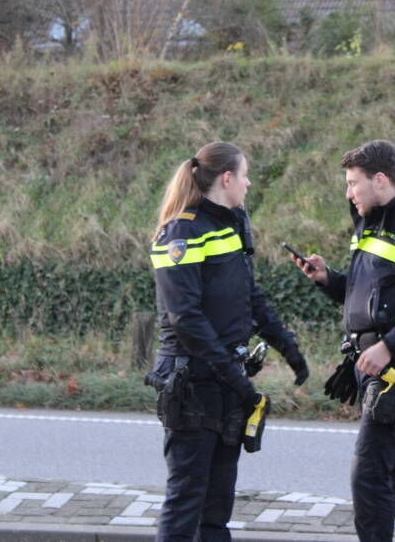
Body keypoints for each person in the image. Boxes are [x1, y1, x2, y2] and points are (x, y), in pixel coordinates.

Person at [293, 139, 395, 542]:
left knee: (367, 475)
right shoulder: (376, 221)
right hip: (375, 364)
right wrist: (328, 280)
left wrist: (387, 347)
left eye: (353, 183)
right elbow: (371, 295)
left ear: (379, 180)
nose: (348, 193)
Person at [148, 141, 309, 541]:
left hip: (224, 382)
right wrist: (234, 378)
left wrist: (287, 346)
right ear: (226, 179)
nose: (249, 183)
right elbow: (184, 317)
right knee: (187, 501)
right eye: (245, 175)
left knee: (217, 508)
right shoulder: (181, 232)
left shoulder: (229, 225)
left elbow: (247, 297)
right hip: (193, 383)